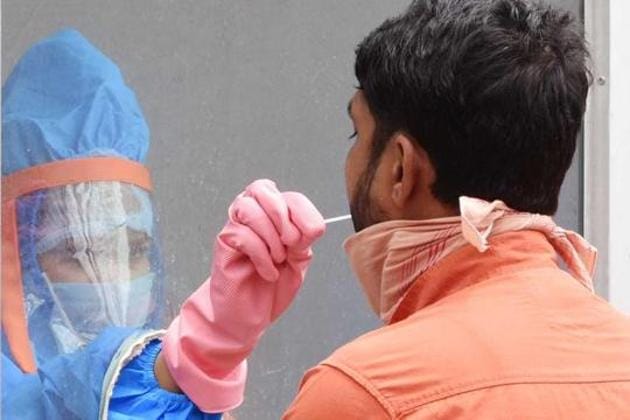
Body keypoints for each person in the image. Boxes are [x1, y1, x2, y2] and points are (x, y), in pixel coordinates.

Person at [155, 0, 630, 418]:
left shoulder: (366, 395)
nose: (353, 156)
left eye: (356, 135)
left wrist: (206, 352)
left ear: (400, 170)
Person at [2, 29, 325, 419]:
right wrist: (197, 352)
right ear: (24, 263)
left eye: (135, 249)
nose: (113, 280)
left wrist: (190, 370)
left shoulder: (175, 386)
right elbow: (43, 402)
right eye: (77, 252)